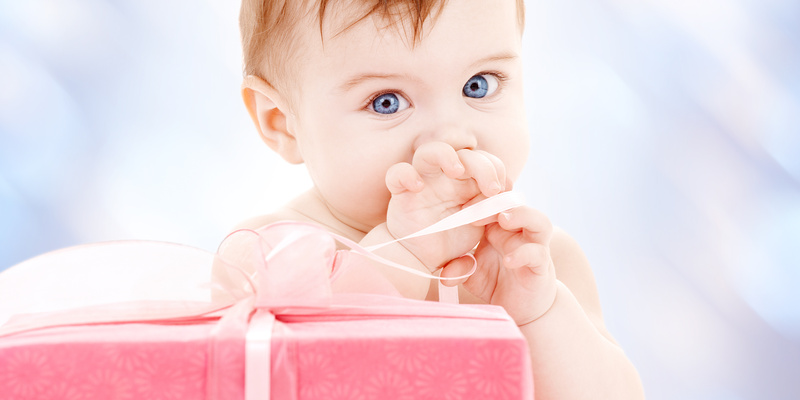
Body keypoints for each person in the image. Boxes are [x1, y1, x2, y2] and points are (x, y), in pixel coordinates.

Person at [234, 0, 645, 398]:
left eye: (478, 86)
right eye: (387, 102)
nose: (453, 135)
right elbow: (299, 378)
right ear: (282, 123)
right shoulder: (268, 252)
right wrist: (400, 256)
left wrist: (541, 313)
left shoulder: (541, 262)